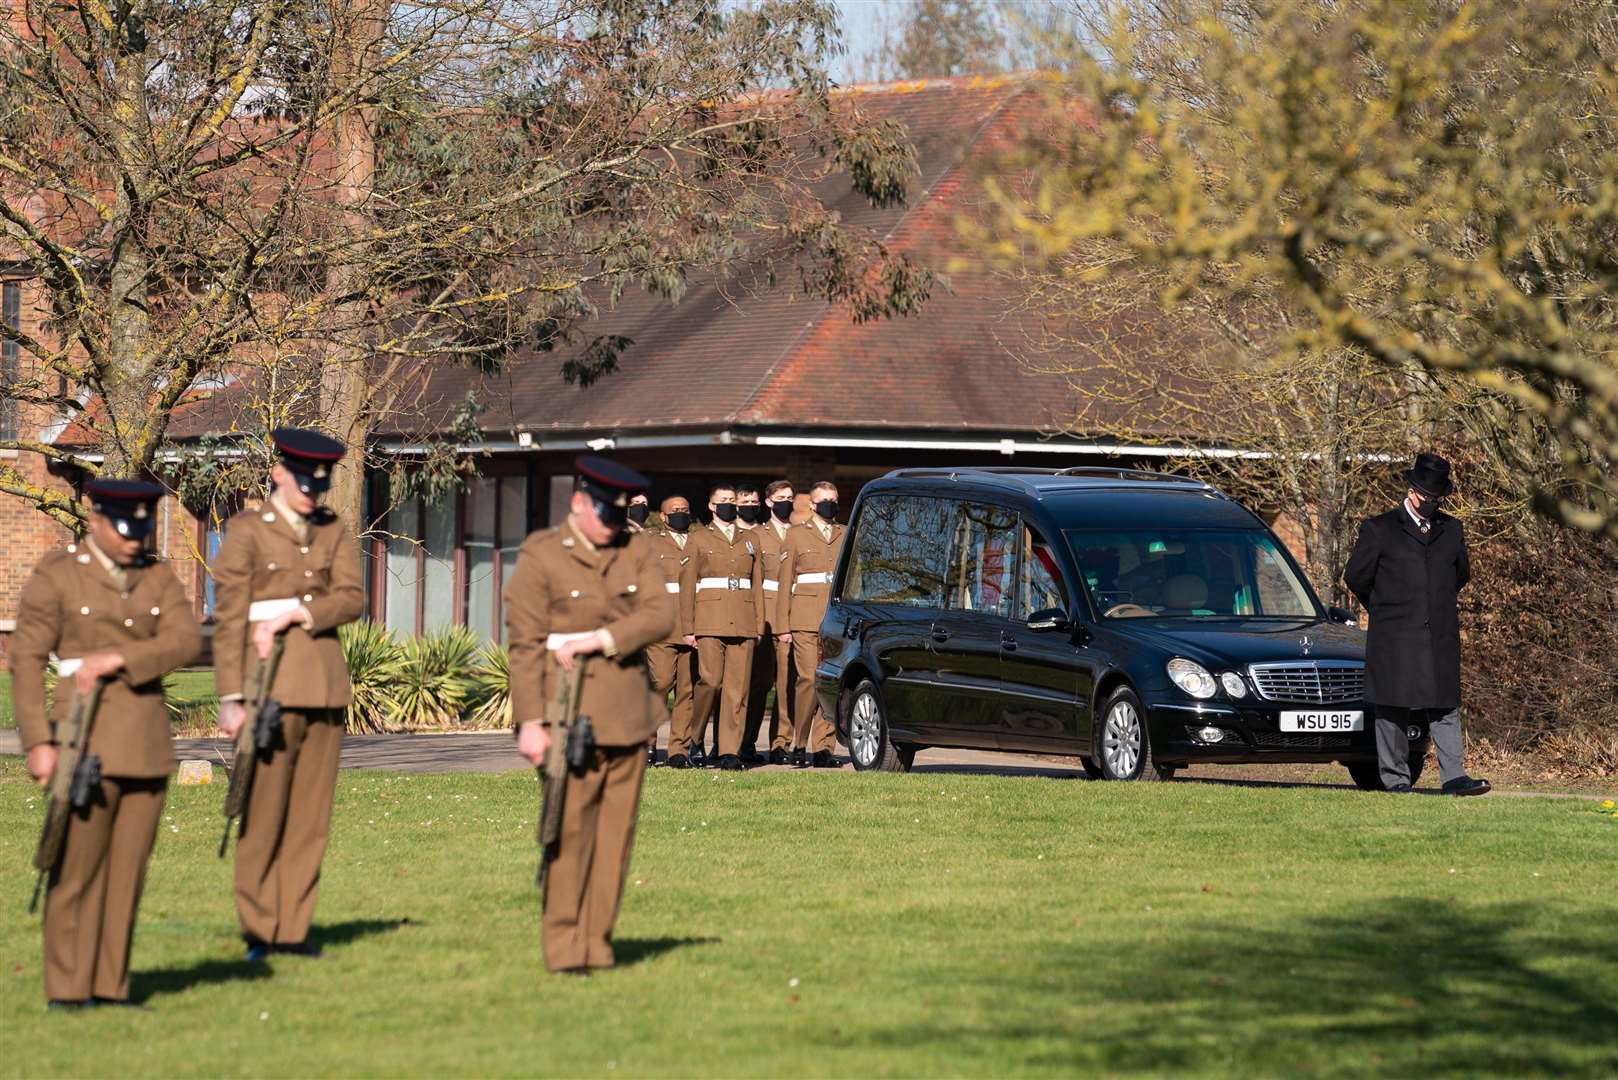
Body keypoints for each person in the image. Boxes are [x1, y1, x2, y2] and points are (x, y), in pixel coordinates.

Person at [11, 479, 202, 1007]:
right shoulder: (60, 574)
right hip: (83, 741)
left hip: (144, 743)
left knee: (126, 873)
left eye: (142, 528)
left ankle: (111, 987)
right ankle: (69, 989)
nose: (135, 539)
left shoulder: (156, 575)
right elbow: (26, 661)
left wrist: (122, 659)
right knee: (75, 868)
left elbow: (186, 640)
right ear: (96, 519)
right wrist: (37, 744)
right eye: (125, 527)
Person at [504, 456, 674, 973]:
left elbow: (661, 615)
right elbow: (525, 644)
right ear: (578, 503)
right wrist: (530, 722)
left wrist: (601, 638)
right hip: (565, 714)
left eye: (616, 516)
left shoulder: (636, 548)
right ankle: (563, 947)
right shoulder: (542, 554)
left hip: (626, 716)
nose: (609, 527)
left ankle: (598, 944)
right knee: (568, 832)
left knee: (614, 839)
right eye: (603, 514)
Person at [213, 428, 367, 961]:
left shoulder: (332, 531)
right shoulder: (248, 532)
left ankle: (292, 929)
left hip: (323, 688)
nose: (311, 493)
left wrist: (300, 612)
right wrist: (231, 697)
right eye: (303, 482)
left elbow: (352, 598)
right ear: (279, 473)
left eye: (318, 486)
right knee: (263, 813)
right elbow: (230, 615)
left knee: (309, 820)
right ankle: (260, 930)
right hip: (267, 688)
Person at [1343, 453, 1490, 796]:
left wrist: (1431, 604)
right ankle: (1395, 779)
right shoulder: (1379, 529)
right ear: (1411, 490)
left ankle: (1454, 776)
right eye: (1426, 497)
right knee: (1392, 706)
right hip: (1394, 634)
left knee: (1444, 705)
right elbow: (1356, 577)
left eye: (1437, 499)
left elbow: (1460, 574)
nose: (1430, 504)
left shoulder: (1451, 529)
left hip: (1438, 634)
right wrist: (1386, 609)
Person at [679, 481, 763, 771]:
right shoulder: (699, 538)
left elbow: (757, 585)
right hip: (709, 620)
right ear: (712, 506)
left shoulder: (751, 539)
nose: (729, 504)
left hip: (743, 621)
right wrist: (688, 627)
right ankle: (695, 736)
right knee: (710, 682)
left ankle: (730, 751)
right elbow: (688, 585)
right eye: (723, 500)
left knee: (736, 691)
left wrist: (758, 624)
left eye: (732, 500)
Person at [776, 481, 846, 768]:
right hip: (803, 619)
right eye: (824, 500)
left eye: (833, 499)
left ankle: (823, 748)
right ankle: (799, 742)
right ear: (813, 505)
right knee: (807, 680)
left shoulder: (844, 533)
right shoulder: (795, 535)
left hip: (834, 620)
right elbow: (784, 584)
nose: (829, 503)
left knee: (830, 682)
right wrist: (783, 626)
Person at [743, 480, 797, 765]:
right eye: (780, 497)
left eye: (790, 497)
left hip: (792, 613)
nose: (785, 502)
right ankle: (747, 740)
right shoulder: (757, 535)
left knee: (787, 684)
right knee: (760, 682)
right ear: (768, 502)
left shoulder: (800, 534)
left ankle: (780, 743)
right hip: (765, 615)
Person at [647, 494, 699, 768]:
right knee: (661, 683)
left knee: (687, 691)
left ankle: (679, 749)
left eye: (685, 509)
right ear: (664, 517)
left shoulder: (699, 540)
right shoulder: (650, 542)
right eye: (675, 511)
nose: (681, 514)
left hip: (692, 625)